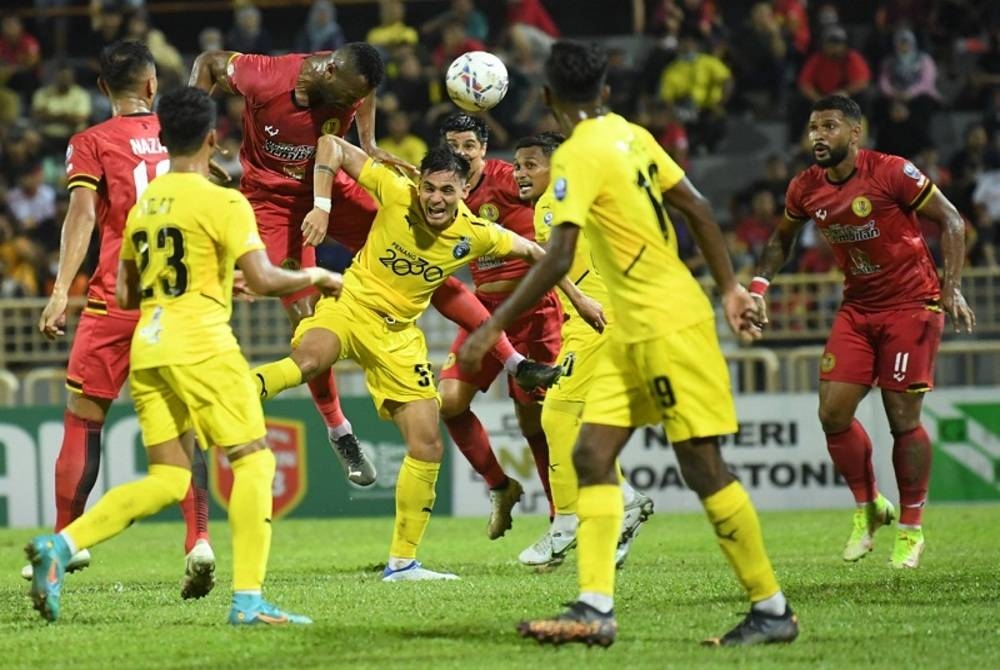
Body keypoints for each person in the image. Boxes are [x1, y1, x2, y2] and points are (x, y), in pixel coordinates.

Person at [459, 40, 798, 648]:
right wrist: (727, 287)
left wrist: (491, 325)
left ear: (547, 98)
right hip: (630, 330)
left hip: (664, 324)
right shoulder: (633, 134)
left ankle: (771, 609)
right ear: (606, 92)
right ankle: (594, 607)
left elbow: (557, 254)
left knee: (702, 465)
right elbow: (696, 207)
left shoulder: (577, 157)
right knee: (591, 454)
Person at [26, 86, 343, 625]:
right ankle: (248, 601)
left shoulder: (145, 204)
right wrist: (317, 274)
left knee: (169, 480)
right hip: (201, 344)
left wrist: (212, 278)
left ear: (164, 138)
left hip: (149, 348)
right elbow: (267, 278)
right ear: (215, 140)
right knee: (255, 460)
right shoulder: (223, 200)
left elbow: (127, 293)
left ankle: (60, 545)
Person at [190, 44, 559, 488]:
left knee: (426, 254)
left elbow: (356, 105)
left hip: (332, 187)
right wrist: (193, 143)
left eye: (360, 99)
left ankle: (515, 361)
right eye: (350, 98)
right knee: (307, 325)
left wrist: (367, 143)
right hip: (272, 203)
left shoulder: (350, 77)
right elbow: (209, 62)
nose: (354, 104)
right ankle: (339, 429)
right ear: (328, 75)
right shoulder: (264, 76)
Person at [251, 139, 560, 581]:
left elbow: (536, 253)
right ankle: (242, 391)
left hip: (399, 338)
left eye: (447, 192)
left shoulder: (477, 234)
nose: (436, 199)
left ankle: (402, 563)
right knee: (310, 360)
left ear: (460, 193)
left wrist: (580, 296)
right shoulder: (395, 190)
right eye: (429, 189)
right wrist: (321, 205)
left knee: (427, 442)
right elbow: (330, 145)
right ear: (419, 185)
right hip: (349, 307)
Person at [749, 95, 976, 569]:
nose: (817, 136)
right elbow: (781, 240)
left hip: (911, 305)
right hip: (858, 308)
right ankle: (870, 506)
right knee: (832, 412)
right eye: (813, 127)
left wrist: (951, 290)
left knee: (901, 416)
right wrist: (758, 287)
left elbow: (952, 221)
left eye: (829, 126)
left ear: (855, 133)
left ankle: (911, 529)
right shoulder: (805, 188)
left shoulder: (891, 171)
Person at [31, 41, 214, 597]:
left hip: (116, 299)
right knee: (182, 422)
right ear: (153, 85)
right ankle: (199, 540)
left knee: (84, 417)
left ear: (102, 87)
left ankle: (67, 541)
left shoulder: (90, 143)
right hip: (178, 301)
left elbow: (83, 213)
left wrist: (61, 290)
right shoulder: (183, 135)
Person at [437, 113, 601, 540]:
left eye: (469, 145)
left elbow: (551, 186)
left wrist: (577, 293)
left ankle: (557, 519)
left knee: (537, 421)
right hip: (486, 309)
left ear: (484, 149)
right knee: (449, 401)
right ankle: (501, 485)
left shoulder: (509, 177)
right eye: (453, 144)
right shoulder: (443, 190)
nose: (461, 153)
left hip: (534, 310)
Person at [511, 131, 653, 570]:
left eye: (531, 164)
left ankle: (567, 522)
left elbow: (555, 260)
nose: (520, 173)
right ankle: (624, 502)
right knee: (586, 426)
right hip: (605, 317)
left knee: (556, 414)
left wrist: (582, 300)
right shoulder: (564, 198)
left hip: (598, 322)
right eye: (517, 165)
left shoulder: (558, 198)